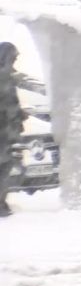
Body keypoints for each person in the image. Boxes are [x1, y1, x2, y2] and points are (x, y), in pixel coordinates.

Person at [0, 42, 27, 218]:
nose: (15, 61)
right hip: (4, 132)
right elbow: (9, 106)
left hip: (4, 130)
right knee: (5, 166)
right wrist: (19, 115)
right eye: (13, 58)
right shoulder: (4, 77)